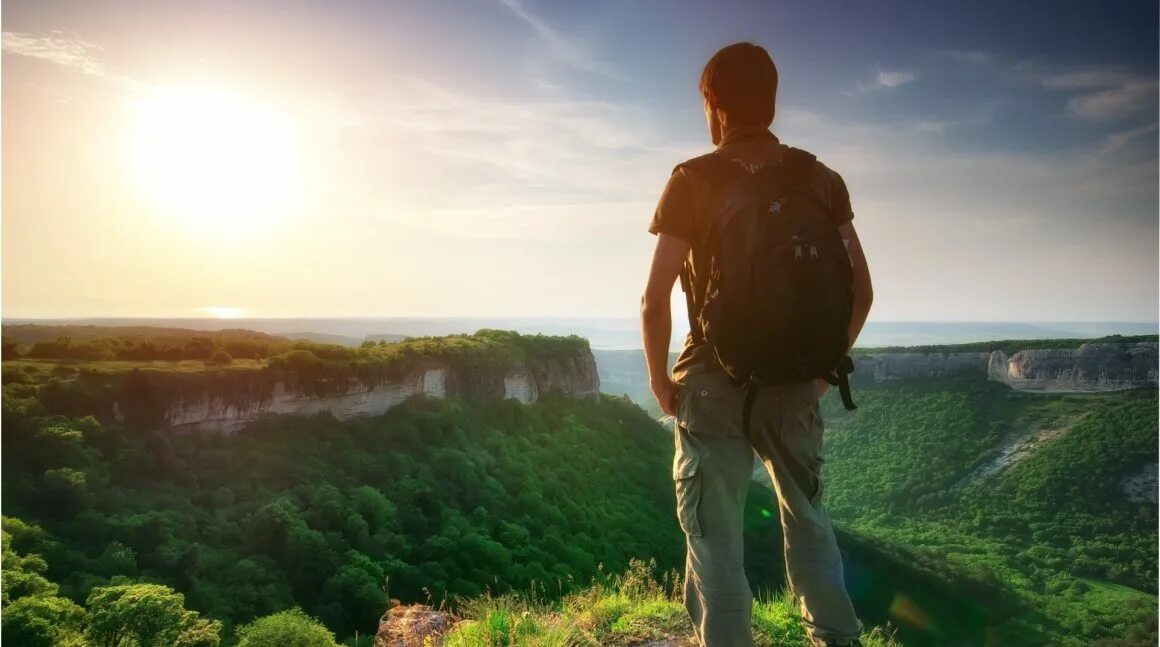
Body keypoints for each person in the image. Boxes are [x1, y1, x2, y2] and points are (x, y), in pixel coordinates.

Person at [640, 42, 874, 647]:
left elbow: (654, 298)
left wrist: (661, 382)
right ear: (772, 99)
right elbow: (863, 291)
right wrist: (819, 373)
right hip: (795, 381)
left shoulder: (692, 179)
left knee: (716, 543)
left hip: (712, 382)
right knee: (811, 529)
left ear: (713, 103)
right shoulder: (821, 179)